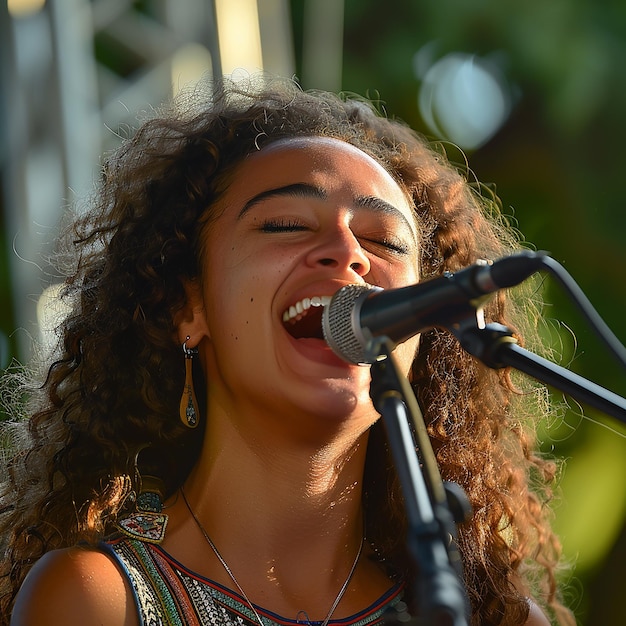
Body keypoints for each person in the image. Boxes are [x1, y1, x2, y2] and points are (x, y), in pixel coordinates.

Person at [0, 75, 575, 626]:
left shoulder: (499, 620)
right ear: (187, 307)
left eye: (385, 242)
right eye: (285, 224)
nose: (348, 252)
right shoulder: (96, 600)